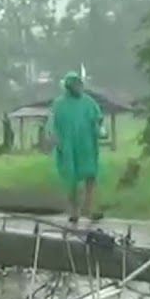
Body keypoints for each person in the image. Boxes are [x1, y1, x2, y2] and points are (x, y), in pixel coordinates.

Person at [47, 71, 103, 225]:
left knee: (90, 175)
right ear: (69, 86)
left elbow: (97, 118)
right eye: (77, 84)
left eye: (81, 84)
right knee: (71, 178)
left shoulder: (88, 102)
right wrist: (53, 136)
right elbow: (52, 123)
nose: (80, 87)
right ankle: (74, 210)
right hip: (68, 146)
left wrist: (99, 129)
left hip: (86, 145)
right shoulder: (59, 104)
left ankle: (89, 208)